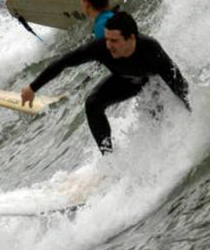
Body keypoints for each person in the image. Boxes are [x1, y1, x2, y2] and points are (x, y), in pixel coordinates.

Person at [20, 11, 189, 153]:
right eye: (107, 39)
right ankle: (109, 158)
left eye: (114, 40)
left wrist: (191, 113)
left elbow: (179, 85)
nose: (109, 45)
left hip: (155, 84)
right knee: (92, 104)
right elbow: (64, 62)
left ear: (131, 38)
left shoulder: (151, 50)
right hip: (126, 80)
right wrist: (32, 87)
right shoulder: (100, 48)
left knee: (157, 120)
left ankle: (173, 147)